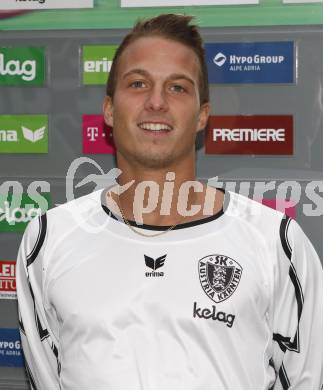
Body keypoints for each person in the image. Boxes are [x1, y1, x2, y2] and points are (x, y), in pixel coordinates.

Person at [16, 14, 323, 390]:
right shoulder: (48, 240)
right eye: (138, 83)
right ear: (109, 110)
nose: (156, 102)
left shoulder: (276, 243)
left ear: (202, 115)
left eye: (177, 88)